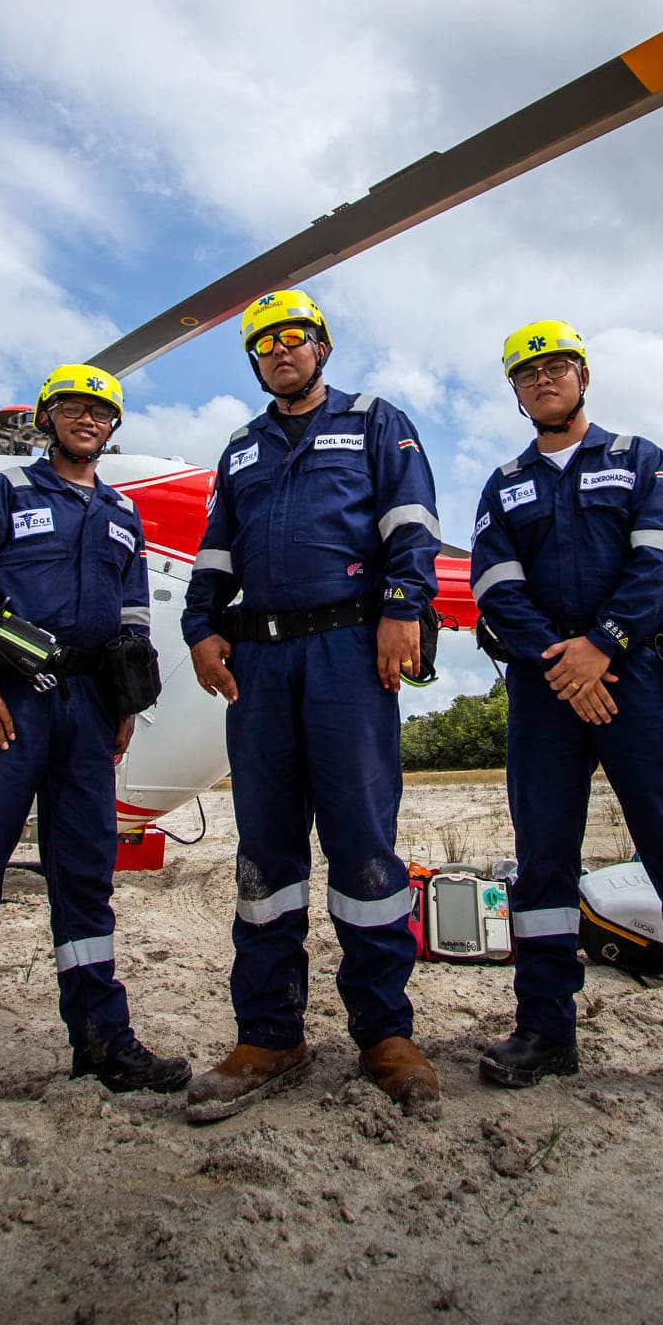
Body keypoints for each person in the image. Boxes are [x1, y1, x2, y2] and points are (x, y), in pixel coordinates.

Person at [469, 321, 663, 1122]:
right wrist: (559, 661)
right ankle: (545, 1032)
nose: (544, 380)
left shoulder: (640, 458)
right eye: (528, 373)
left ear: (583, 376)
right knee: (542, 864)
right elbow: (496, 588)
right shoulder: (502, 484)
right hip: (546, 688)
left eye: (558, 367)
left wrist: (601, 645)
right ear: (514, 391)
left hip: (636, 673)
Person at [182, 290, 442, 1121]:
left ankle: (384, 1034)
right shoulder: (243, 448)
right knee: (264, 852)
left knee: (364, 847)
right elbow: (217, 548)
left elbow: (411, 521)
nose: (280, 351)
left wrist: (403, 606)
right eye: (264, 345)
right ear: (255, 363)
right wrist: (199, 625)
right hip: (259, 662)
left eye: (294, 337)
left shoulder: (374, 420)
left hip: (347, 654)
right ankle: (269, 1034)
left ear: (320, 348)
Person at [0, 364, 190, 1112]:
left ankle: (100, 1042)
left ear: (113, 425)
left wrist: (126, 705)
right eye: (71, 407)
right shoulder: (2, 493)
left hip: (91, 711)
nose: (86, 419)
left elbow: (134, 619)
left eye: (100, 410)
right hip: (12, 707)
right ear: (47, 418)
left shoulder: (124, 514)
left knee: (87, 876)